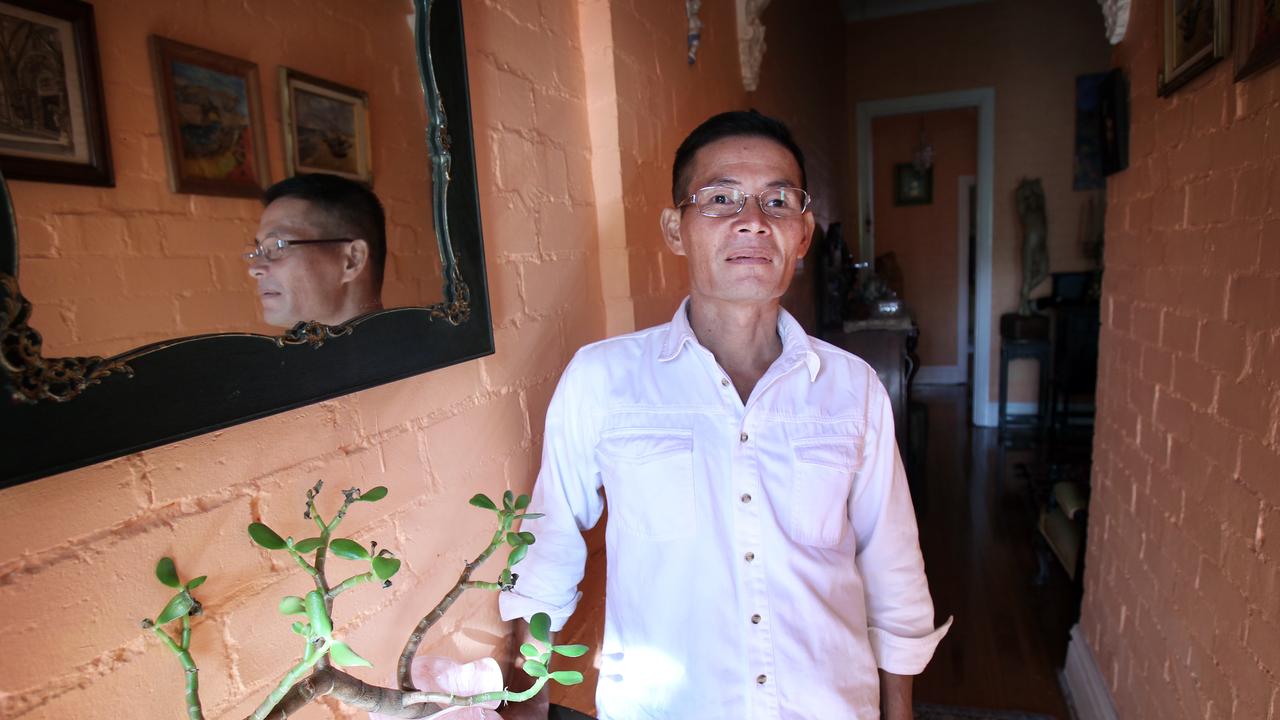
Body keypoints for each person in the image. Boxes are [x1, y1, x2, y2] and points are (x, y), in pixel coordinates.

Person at [498, 111, 950, 720]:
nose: (753, 221)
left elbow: (891, 564)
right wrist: (528, 701)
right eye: (719, 198)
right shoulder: (603, 381)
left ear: (803, 232)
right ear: (675, 229)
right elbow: (548, 548)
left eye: (778, 200)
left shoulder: (853, 388)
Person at [247, 173, 386, 328]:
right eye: (258, 251)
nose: (254, 269)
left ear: (352, 260)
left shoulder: (411, 351)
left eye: (277, 246)